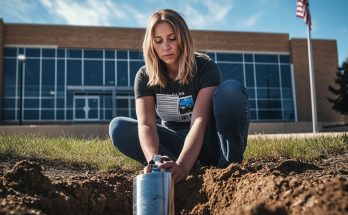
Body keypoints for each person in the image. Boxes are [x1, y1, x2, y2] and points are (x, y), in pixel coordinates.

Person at [109, 9, 249, 183]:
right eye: (158, 41)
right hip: (175, 144)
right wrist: (154, 159)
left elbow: (199, 120)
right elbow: (146, 124)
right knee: (118, 127)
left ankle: (229, 167)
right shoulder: (145, 76)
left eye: (172, 38)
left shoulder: (205, 67)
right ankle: (168, 168)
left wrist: (183, 164)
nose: (165, 46)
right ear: (151, 44)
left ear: (183, 38)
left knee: (230, 91)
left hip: (209, 143)